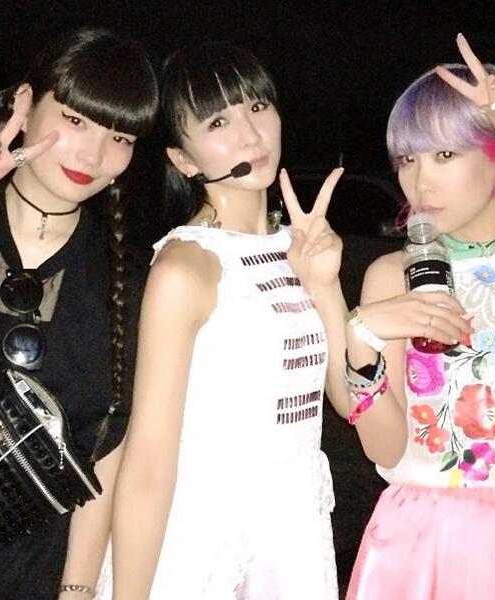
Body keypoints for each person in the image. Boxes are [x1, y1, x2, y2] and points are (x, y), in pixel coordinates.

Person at [107, 41, 351, 600]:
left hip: (292, 536)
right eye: (219, 121)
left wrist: (326, 285)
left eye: (258, 107)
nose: (251, 135)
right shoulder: (186, 267)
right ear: (183, 161)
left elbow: (345, 399)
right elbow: (149, 460)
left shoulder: (301, 246)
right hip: (204, 540)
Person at [0, 27, 158, 600]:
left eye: (119, 136)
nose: (94, 155)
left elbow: (106, 451)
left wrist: (77, 588)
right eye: (75, 120)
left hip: (31, 576)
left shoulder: (127, 282)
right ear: (25, 104)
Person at [341, 59, 495, 600]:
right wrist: (360, 336)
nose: (420, 181)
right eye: (407, 159)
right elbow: (387, 451)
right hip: (427, 546)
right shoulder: (392, 276)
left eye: (444, 155)